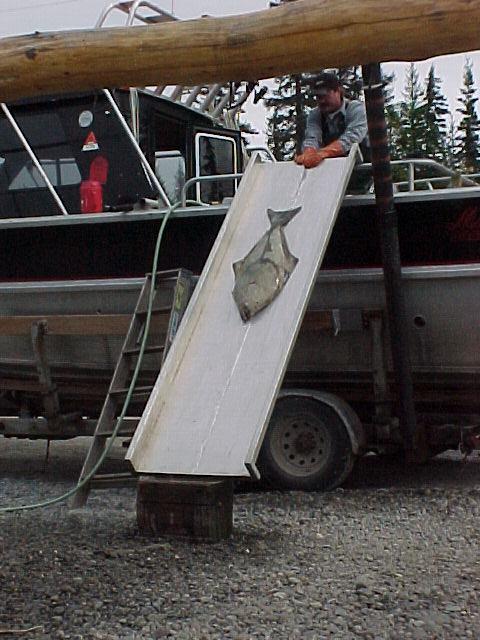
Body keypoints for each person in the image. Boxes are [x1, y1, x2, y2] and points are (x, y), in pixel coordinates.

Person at [295, 72, 369, 169]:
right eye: (318, 97)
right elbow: (312, 138)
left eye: (325, 96)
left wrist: (321, 154)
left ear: (338, 91)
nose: (321, 101)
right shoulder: (315, 115)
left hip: (364, 170)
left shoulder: (356, 109)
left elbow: (351, 139)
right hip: (333, 171)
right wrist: (308, 153)